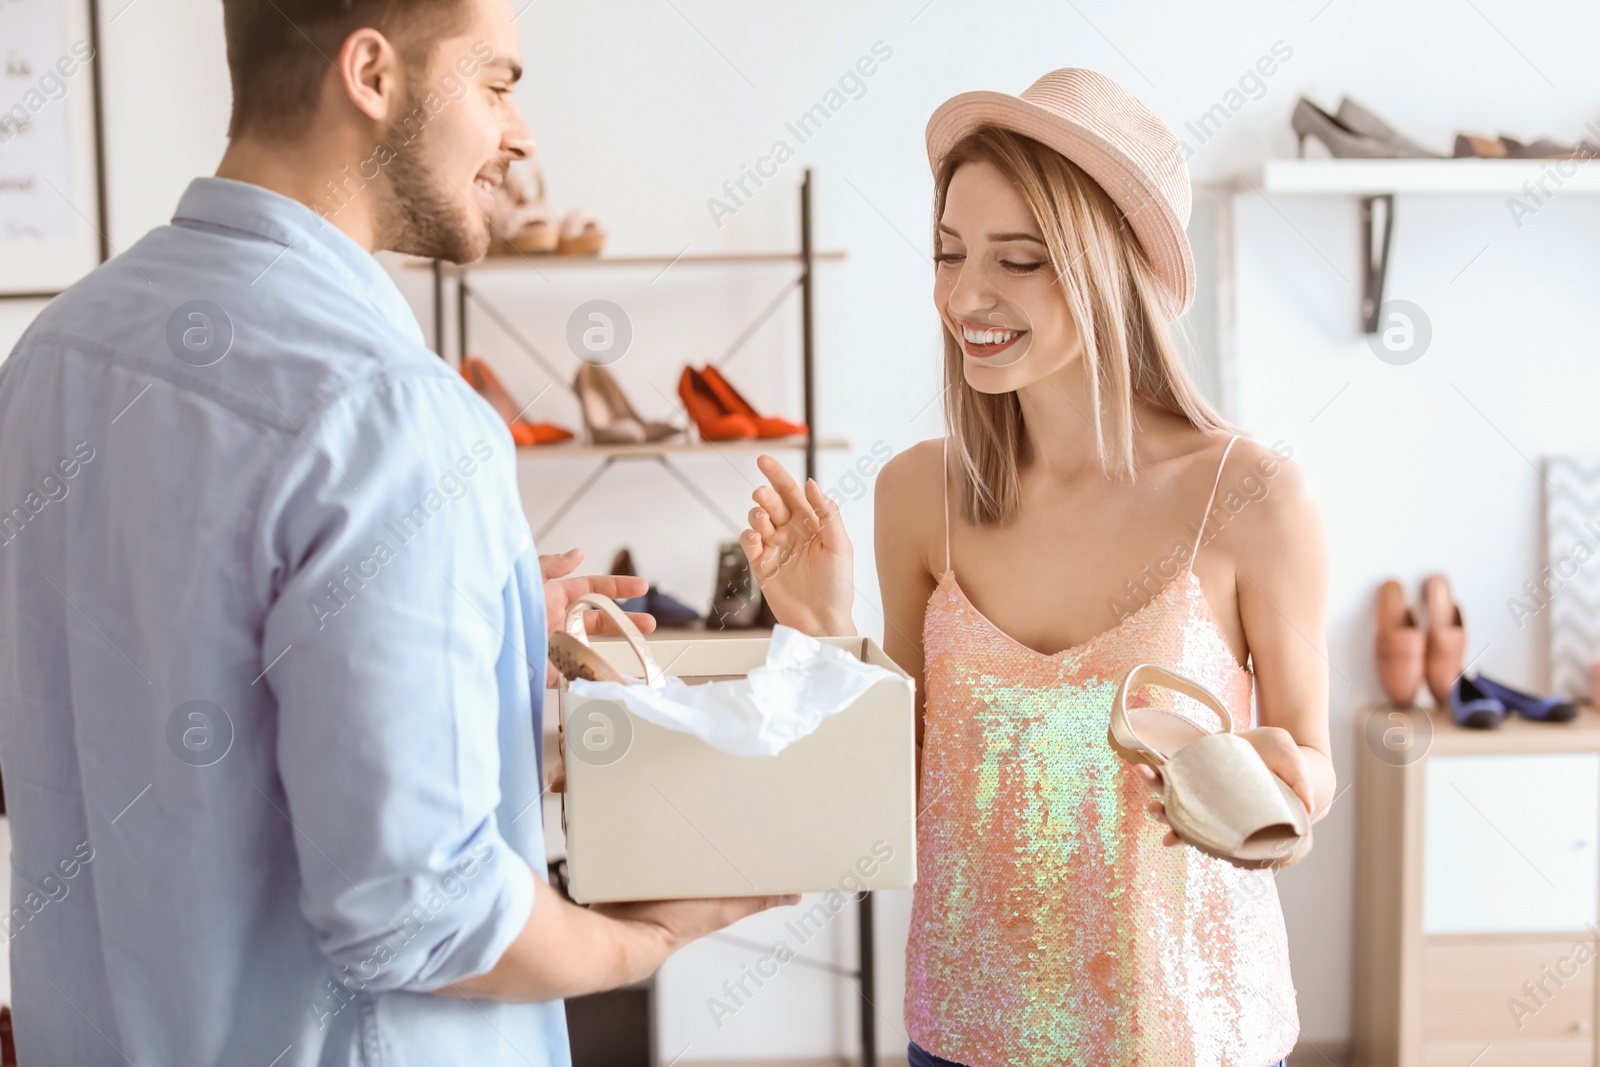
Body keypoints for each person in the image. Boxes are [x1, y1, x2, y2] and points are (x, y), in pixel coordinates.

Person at [0, 1, 788, 1063]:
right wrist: (643, 939)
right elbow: (423, 913)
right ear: (370, 74)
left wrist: (477, 636)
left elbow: (109, 704)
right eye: (498, 83)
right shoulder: (394, 415)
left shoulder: (58, 350)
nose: (523, 133)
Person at [741, 69, 1334, 1066]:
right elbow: (901, 786)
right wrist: (820, 628)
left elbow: (1308, 763)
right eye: (948, 252)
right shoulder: (917, 494)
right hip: (970, 1026)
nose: (965, 296)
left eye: (1018, 260)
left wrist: (1278, 783)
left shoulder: (1253, 496)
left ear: (1112, 271)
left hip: (1191, 1031)